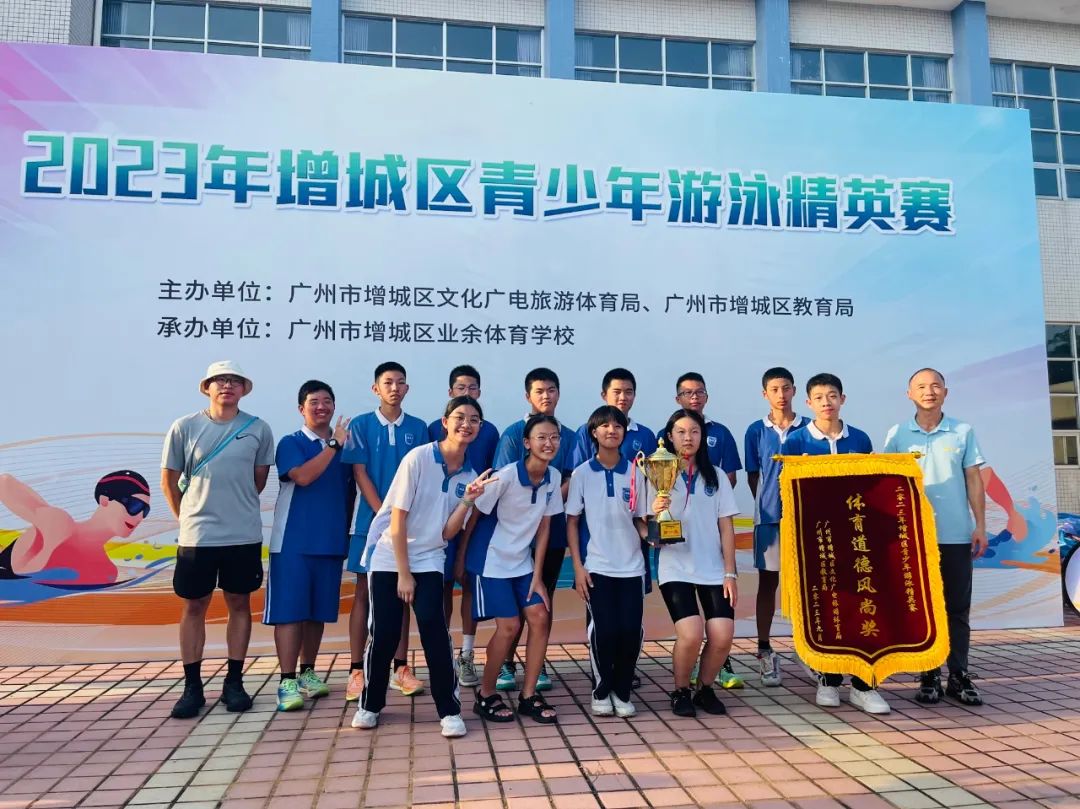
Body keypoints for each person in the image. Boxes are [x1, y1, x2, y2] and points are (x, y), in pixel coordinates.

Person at [352, 396, 497, 737]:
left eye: (474, 419)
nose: (466, 424)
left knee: (434, 628)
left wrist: (467, 500)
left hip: (430, 556)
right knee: (385, 632)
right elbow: (397, 519)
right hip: (390, 553)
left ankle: (449, 710)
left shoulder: (469, 474)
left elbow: (447, 533)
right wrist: (404, 574)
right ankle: (370, 705)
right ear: (445, 422)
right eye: (459, 417)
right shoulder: (418, 458)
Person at [161, 360, 275, 719]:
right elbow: (169, 481)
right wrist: (188, 518)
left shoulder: (258, 429)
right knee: (194, 606)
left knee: (239, 603)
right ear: (206, 387)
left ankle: (234, 682)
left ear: (244, 389)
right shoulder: (184, 427)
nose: (227, 386)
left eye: (234, 381)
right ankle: (192, 687)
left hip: (242, 534)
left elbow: (258, 481)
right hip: (198, 536)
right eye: (219, 380)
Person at [781, 373, 889, 715]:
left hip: (856, 540)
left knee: (862, 608)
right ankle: (827, 679)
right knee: (826, 609)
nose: (826, 402)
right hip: (816, 540)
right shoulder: (796, 442)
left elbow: (872, 488)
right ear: (808, 403)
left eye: (832, 395)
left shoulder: (859, 438)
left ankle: (863, 684)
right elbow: (787, 494)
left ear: (843, 399)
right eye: (819, 397)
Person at [883, 368, 986, 706]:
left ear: (946, 392)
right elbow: (887, 482)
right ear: (909, 394)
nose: (929, 391)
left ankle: (959, 674)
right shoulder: (898, 434)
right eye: (921, 387)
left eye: (935, 386)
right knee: (922, 608)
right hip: (913, 538)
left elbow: (973, 479)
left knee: (957, 608)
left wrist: (980, 525)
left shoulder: (962, 431)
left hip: (955, 534)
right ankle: (928, 674)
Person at [464, 414, 564, 724]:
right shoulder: (505, 476)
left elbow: (545, 527)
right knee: (508, 627)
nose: (548, 443)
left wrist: (538, 576)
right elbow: (475, 516)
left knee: (540, 616)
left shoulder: (553, 477)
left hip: (522, 562)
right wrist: (461, 560)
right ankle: (486, 694)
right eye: (541, 437)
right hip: (491, 560)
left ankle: (528, 695)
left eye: (554, 437)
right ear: (527, 443)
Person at [341, 362, 429, 703]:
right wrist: (384, 514)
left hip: (408, 526)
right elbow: (360, 473)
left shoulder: (418, 428)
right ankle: (356, 669)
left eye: (400, 382)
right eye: (388, 382)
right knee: (364, 593)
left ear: (407, 388)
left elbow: (422, 475)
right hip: (370, 524)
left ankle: (401, 668)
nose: (394, 388)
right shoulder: (361, 425)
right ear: (375, 388)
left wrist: (399, 519)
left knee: (402, 594)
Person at [265, 380, 354, 712]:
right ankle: (287, 680)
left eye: (327, 401)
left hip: (329, 541)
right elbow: (302, 477)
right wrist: (332, 444)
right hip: (293, 542)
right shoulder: (291, 443)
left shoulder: (345, 447)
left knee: (317, 613)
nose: (321, 407)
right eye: (314, 401)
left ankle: (308, 673)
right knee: (290, 612)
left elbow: (350, 493)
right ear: (301, 408)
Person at [489, 368, 576, 692]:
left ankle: (536, 666)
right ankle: (505, 663)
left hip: (550, 531)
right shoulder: (514, 433)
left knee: (542, 599)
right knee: (514, 605)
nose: (546, 396)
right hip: (515, 537)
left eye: (551, 390)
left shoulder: (569, 435)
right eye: (539, 391)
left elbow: (570, 478)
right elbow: (503, 481)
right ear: (528, 396)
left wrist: (549, 500)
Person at [650, 409, 739, 718]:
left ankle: (704, 688)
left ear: (702, 437)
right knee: (690, 633)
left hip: (713, 568)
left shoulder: (716, 477)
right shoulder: (657, 472)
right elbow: (646, 524)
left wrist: (730, 573)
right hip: (676, 567)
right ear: (670, 436)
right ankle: (680, 691)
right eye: (681, 432)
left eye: (694, 432)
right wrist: (655, 513)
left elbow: (726, 526)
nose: (688, 438)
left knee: (722, 635)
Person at [566, 406, 648, 718]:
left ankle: (622, 690)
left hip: (632, 567)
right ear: (594, 432)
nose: (611, 430)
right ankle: (601, 690)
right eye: (605, 426)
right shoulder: (582, 474)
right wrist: (578, 567)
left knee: (630, 631)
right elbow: (572, 521)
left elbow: (640, 519)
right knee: (603, 631)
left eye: (617, 426)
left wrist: (653, 535)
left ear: (625, 432)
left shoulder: (636, 472)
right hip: (597, 567)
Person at [428, 365, 500, 689]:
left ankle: (467, 655)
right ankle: (442, 653)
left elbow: (492, 479)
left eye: (472, 388)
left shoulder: (490, 431)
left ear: (480, 393)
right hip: (439, 523)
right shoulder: (433, 429)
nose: (467, 393)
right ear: (450, 393)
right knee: (441, 587)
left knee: (468, 583)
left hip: (476, 521)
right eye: (461, 388)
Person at [743, 367, 808, 687]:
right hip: (769, 519)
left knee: (808, 586)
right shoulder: (755, 431)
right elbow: (753, 475)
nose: (781, 395)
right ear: (764, 394)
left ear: (794, 390)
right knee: (768, 583)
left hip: (806, 519)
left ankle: (809, 648)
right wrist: (769, 503)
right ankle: (765, 650)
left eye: (786, 388)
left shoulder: (809, 428)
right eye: (774, 389)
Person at [0, 470, 151, 585]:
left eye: (145, 511)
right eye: (135, 505)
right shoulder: (58, 523)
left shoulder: (106, 572)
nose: (139, 517)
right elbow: (5, 482)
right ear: (105, 500)